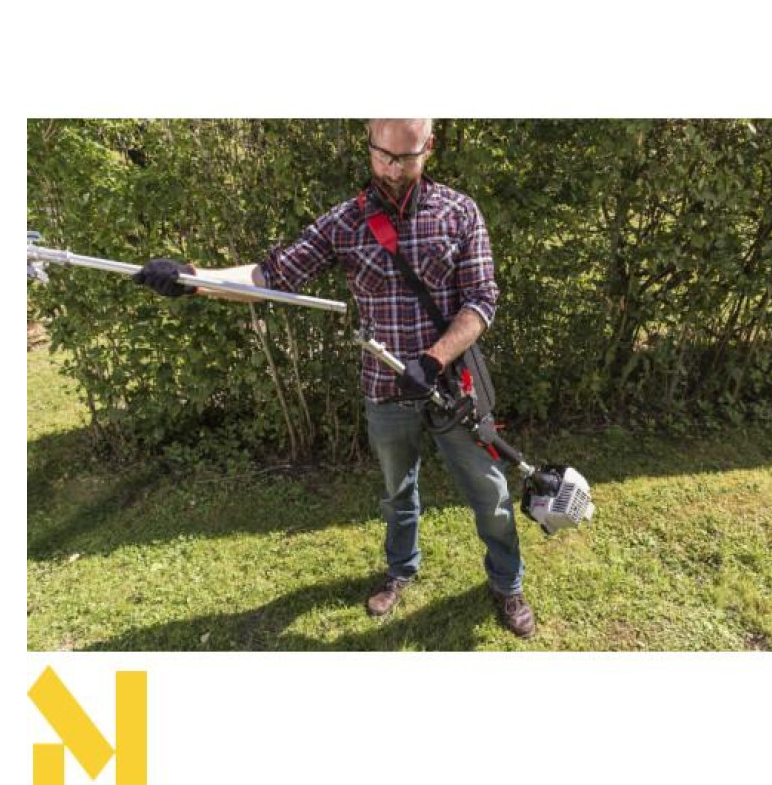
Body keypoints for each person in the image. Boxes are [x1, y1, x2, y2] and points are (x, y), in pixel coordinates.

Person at [133, 119, 535, 638]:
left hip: (452, 387)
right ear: (370, 145)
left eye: (406, 157)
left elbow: (481, 301)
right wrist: (194, 279)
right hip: (385, 389)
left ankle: (507, 583)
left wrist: (433, 360)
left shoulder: (460, 213)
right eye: (382, 155)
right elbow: (270, 276)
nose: (392, 169)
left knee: (490, 493)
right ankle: (401, 569)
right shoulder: (345, 222)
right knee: (397, 493)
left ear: (429, 147)